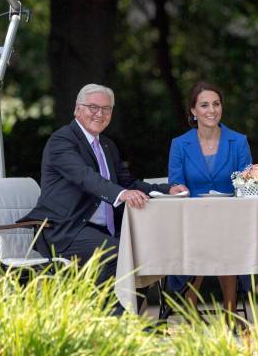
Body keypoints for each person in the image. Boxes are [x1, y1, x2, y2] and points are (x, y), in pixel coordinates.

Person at [19, 84, 181, 306]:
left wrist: (167, 189)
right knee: (121, 255)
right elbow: (85, 177)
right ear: (77, 110)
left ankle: (128, 321)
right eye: (93, 107)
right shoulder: (62, 141)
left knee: (147, 252)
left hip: (100, 230)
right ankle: (112, 324)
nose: (100, 114)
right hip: (65, 230)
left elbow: (128, 182)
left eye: (106, 109)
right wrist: (122, 194)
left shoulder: (106, 145)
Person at [167, 81, 252, 313]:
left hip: (231, 221)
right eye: (204, 105)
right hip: (192, 222)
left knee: (226, 240)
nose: (211, 110)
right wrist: (176, 188)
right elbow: (175, 183)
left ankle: (230, 311)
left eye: (216, 104)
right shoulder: (179, 144)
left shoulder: (239, 142)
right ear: (193, 111)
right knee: (200, 240)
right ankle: (191, 311)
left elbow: (248, 183)